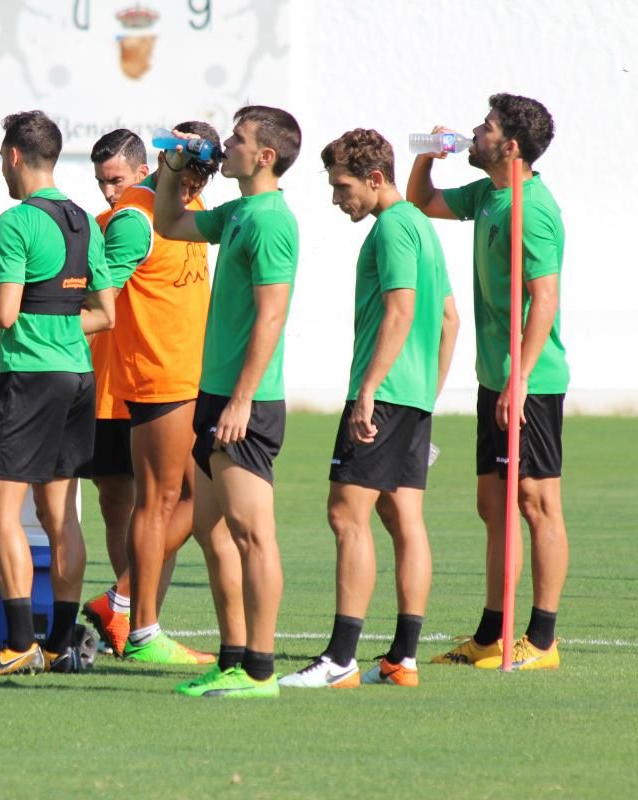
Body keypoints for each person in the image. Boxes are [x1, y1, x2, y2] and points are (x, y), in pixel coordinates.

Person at [279, 129, 458, 690]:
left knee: (344, 514)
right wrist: (425, 393)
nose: (338, 199)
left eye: (343, 186)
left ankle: (340, 660)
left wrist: (370, 389)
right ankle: (402, 659)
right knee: (401, 518)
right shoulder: (423, 228)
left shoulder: (392, 229)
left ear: (376, 180)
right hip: (413, 396)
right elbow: (450, 320)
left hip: (383, 396)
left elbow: (400, 311)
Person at [0, 110, 115, 675]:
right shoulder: (82, 220)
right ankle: (60, 643)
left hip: (31, 381)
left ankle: (20, 643)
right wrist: (56, 329)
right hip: (76, 377)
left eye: (2, 156)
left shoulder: (16, 221)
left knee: (0, 514)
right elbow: (104, 314)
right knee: (60, 512)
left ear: (15, 156)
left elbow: (6, 311)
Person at [408, 93, 568, 671]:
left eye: (486, 127)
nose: (475, 132)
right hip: (494, 378)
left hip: (532, 380)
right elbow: (420, 202)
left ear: (512, 147)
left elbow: (543, 299)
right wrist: (430, 153)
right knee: (493, 503)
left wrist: (520, 379)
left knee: (536, 502)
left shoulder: (536, 208)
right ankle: (492, 632)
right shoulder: (489, 195)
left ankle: (543, 640)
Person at [154, 106, 302, 699]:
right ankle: (234, 657)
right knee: (214, 533)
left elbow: (272, 314)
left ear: (264, 156)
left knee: (251, 535)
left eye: (237, 140)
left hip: (248, 401)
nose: (228, 148)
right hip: (216, 395)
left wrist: (241, 399)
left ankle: (261, 671)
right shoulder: (240, 212)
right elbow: (169, 223)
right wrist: (171, 165)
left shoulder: (270, 220)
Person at [86, 121, 221, 666]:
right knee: (155, 503)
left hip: (194, 377)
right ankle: (140, 627)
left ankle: (119, 602)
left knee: (199, 503)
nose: (108, 191)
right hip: (158, 377)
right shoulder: (135, 219)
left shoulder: (189, 202)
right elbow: (100, 302)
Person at [80, 130, 145, 653]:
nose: (107, 192)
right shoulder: (100, 228)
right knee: (116, 504)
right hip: (105, 386)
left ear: (143, 174)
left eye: (115, 180)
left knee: (178, 502)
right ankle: (128, 616)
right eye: (102, 181)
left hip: (154, 383)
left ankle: (123, 602)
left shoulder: (170, 219)